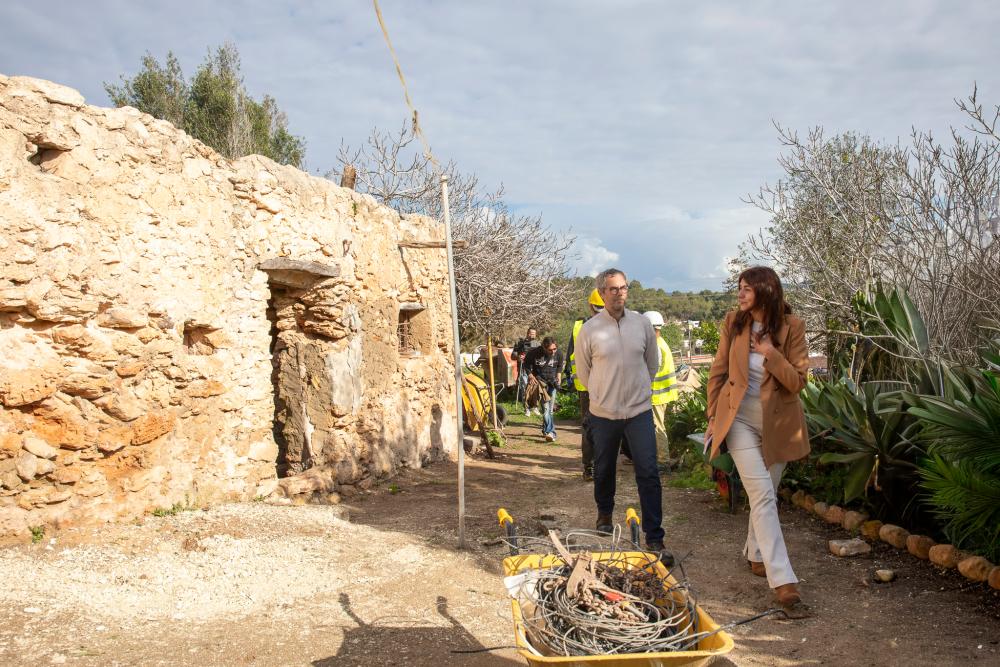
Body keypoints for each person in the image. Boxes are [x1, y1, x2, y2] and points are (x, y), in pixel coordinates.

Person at [705, 266, 811, 617]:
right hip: (737, 420)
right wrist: (711, 419)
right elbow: (718, 371)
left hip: (778, 425)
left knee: (764, 492)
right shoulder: (734, 321)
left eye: (747, 288)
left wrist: (770, 352)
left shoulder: (792, 327)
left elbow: (797, 381)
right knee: (763, 494)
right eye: (740, 288)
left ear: (765, 291)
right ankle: (784, 583)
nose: (740, 294)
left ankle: (754, 554)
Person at [576, 268, 665, 553]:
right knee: (603, 469)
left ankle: (655, 536)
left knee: (648, 471)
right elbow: (584, 371)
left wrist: (640, 390)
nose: (619, 294)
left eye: (623, 288)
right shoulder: (590, 330)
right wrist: (603, 395)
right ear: (602, 293)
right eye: (613, 289)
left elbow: (652, 363)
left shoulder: (641, 325)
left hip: (638, 412)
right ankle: (604, 513)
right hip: (604, 413)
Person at [564, 289, 605, 480]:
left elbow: (569, 356)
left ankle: (589, 468)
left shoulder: (578, 326)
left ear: (590, 305)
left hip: (586, 387)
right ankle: (602, 466)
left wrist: (570, 378)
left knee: (588, 426)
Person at [643, 311, 679, 470]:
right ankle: (659, 459)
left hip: (657, 394)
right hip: (662, 393)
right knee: (657, 426)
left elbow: (651, 371)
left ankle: (663, 462)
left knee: (657, 427)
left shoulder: (655, 346)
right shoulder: (660, 342)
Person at [523, 337, 564, 442]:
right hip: (540, 384)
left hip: (553, 383)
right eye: (550, 350)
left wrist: (559, 375)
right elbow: (526, 364)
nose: (553, 351)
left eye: (555, 349)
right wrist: (530, 375)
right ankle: (552, 433)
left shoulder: (558, 353)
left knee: (550, 410)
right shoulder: (534, 353)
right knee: (546, 409)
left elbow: (559, 366)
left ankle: (546, 430)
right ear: (544, 348)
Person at [513, 328, 540, 415]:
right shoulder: (520, 343)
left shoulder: (538, 344)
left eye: (534, 334)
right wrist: (518, 356)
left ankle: (535, 407)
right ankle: (527, 409)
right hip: (523, 368)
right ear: (527, 333)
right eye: (531, 333)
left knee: (535, 388)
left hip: (535, 369)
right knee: (524, 388)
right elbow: (513, 355)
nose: (532, 335)